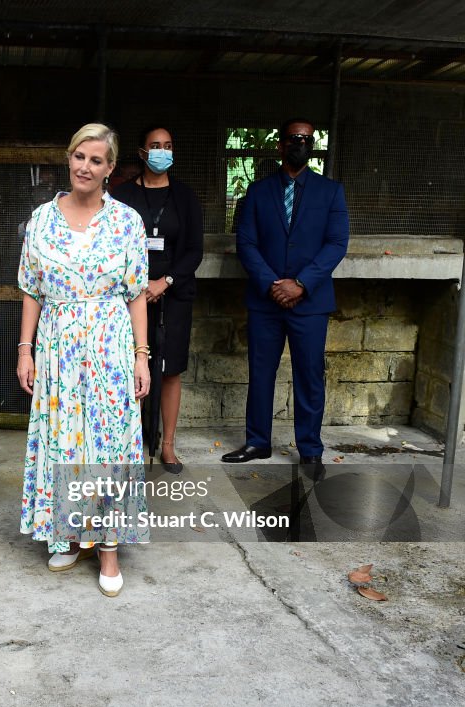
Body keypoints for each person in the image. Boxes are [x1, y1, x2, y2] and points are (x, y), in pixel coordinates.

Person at [16, 123, 151, 598]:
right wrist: (25, 349)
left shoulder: (126, 223)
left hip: (110, 345)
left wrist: (141, 355)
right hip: (56, 346)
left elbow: (136, 294)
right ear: (68, 159)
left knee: (107, 443)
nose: (85, 167)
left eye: (96, 160)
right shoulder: (41, 219)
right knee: (65, 439)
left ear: (110, 168)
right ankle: (71, 534)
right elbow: (31, 288)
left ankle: (109, 547)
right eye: (79, 156)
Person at [223, 117, 349, 470]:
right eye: (294, 138)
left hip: (310, 302)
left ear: (313, 145)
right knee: (261, 372)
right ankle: (257, 442)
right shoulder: (258, 192)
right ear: (280, 145)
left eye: (306, 139)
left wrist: (302, 283)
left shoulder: (331, 191)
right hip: (266, 301)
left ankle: (310, 448)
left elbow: (337, 243)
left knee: (309, 375)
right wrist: (272, 284)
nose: (300, 143)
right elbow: (246, 243)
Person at [111, 126, 204, 473]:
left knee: (169, 369)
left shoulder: (185, 197)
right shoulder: (120, 195)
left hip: (174, 294)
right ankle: (132, 444)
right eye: (155, 146)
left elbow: (195, 250)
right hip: (129, 297)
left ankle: (167, 445)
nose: (162, 151)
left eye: (168, 145)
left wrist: (164, 282)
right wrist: (137, 286)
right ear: (142, 152)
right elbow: (112, 245)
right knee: (130, 368)